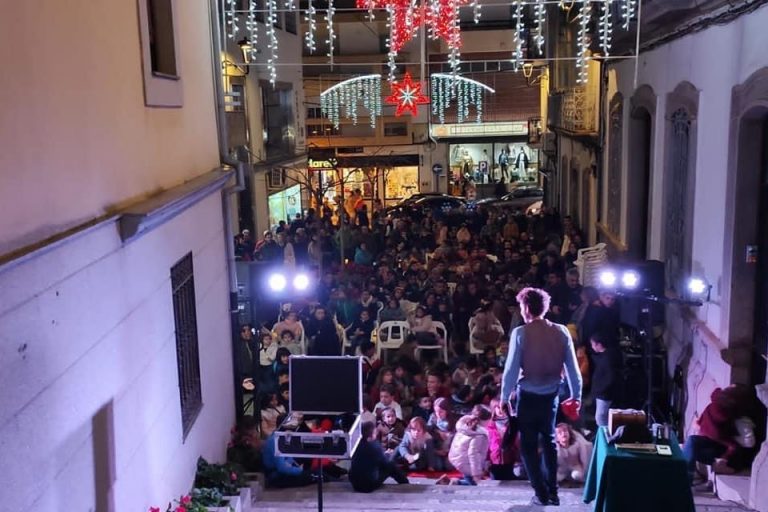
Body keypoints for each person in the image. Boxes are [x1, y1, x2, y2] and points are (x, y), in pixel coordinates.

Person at [501, 287, 582, 506]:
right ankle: (553, 492)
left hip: (527, 397)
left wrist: (504, 396)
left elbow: (511, 369)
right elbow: (573, 369)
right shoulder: (562, 331)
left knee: (528, 446)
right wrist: (577, 396)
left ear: (526, 307)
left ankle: (541, 492)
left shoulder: (520, 333)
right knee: (549, 442)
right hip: (551, 397)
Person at [349, 421, 409, 493]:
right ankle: (406, 484)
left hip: (355, 485)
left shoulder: (354, 444)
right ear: (370, 436)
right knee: (391, 465)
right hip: (368, 485)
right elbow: (385, 463)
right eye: (375, 432)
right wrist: (387, 455)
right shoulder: (374, 445)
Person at [448, 404, 492, 486]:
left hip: (457, 457)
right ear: (485, 421)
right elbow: (473, 454)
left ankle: (456, 482)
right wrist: (476, 474)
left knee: (469, 479)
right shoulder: (480, 434)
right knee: (474, 484)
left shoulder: (465, 425)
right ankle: (456, 483)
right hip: (466, 462)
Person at [590, 332, 623, 427]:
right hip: (602, 393)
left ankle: (606, 438)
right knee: (602, 416)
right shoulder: (606, 356)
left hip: (604, 394)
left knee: (600, 417)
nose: (592, 347)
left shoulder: (607, 358)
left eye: (593, 344)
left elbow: (610, 377)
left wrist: (600, 389)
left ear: (599, 344)